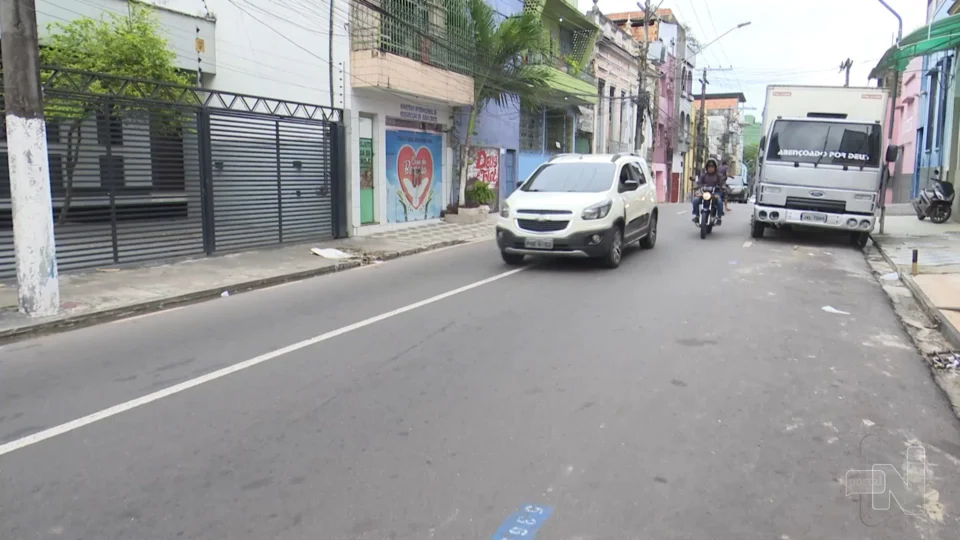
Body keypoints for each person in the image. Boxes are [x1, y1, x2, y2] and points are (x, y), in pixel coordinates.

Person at [693, 158, 725, 225]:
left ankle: (719, 217)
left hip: (714, 193)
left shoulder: (718, 176)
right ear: (707, 168)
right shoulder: (704, 175)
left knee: (719, 201)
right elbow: (699, 182)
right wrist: (697, 185)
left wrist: (722, 186)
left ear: (715, 168)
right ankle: (697, 216)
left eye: (712, 167)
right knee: (695, 200)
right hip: (704, 193)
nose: (710, 168)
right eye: (709, 167)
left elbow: (722, 182)